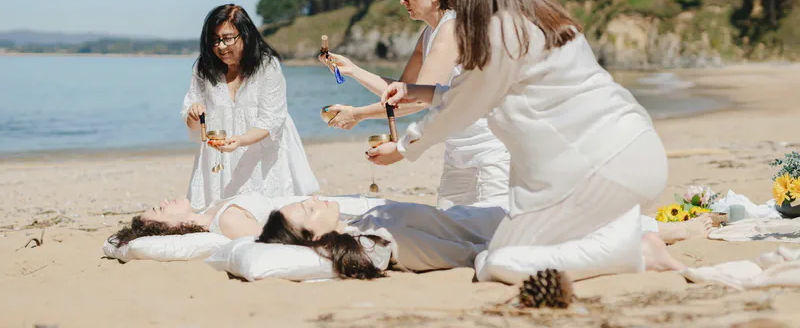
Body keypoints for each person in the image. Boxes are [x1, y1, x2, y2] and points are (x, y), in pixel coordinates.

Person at [367, 0, 670, 262]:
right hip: (636, 148)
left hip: (600, 169)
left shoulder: (501, 30)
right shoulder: (545, 15)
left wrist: (405, 148)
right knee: (492, 238)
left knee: (496, 261)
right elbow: (473, 93)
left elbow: (463, 106)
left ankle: (638, 251)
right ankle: (633, 236)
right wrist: (415, 93)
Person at [319, 0, 509, 209]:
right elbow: (403, 88)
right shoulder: (430, 32)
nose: (402, 0)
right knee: (450, 232)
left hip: (491, 150)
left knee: (493, 235)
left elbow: (417, 99)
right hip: (458, 149)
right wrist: (353, 70)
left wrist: (358, 114)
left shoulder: (452, 29)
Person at [258, 196, 686, 280]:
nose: (315, 199)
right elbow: (469, 254)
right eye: (309, 209)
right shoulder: (372, 243)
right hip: (498, 232)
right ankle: (658, 237)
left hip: (489, 218)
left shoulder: (363, 223)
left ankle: (658, 232)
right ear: (317, 237)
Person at [181, 4, 319, 209]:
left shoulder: (267, 66)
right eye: (215, 40)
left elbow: (272, 119)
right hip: (218, 159)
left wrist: (241, 140)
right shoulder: (204, 68)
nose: (220, 46)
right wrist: (193, 115)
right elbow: (192, 120)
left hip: (261, 156)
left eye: (228, 38)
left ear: (245, 35)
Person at [108, 194, 274, 247]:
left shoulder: (210, 210)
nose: (163, 202)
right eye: (160, 209)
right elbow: (278, 239)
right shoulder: (227, 221)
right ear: (173, 227)